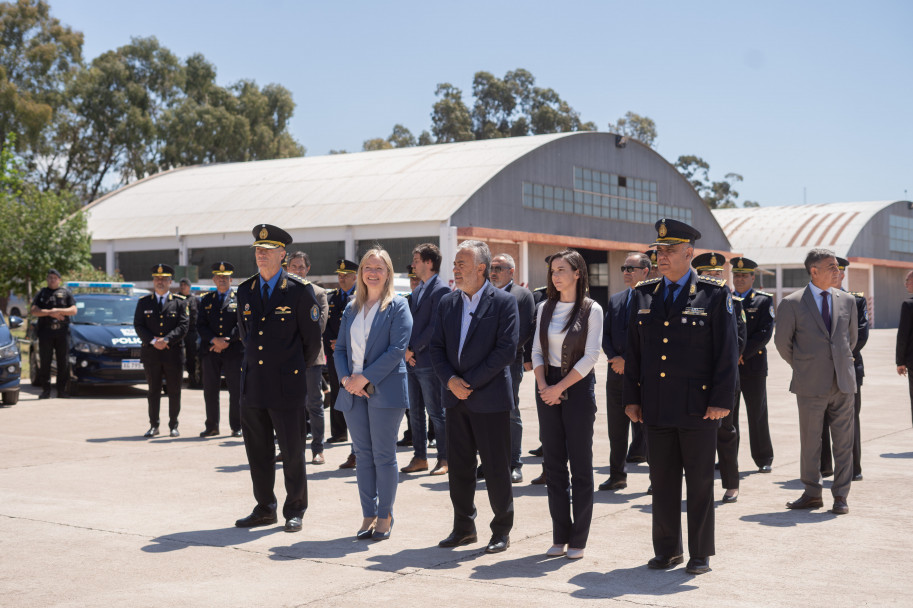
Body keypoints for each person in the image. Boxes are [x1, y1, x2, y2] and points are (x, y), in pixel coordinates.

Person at [624, 219, 738, 575]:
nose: (661, 257)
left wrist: (721, 401)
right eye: (658, 251)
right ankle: (668, 550)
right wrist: (632, 398)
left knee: (701, 482)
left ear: (689, 253)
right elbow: (634, 352)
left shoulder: (714, 294)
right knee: (663, 481)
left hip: (698, 407)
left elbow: (726, 352)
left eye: (669, 251)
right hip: (656, 405)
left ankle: (700, 552)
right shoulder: (645, 293)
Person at [233, 224, 323, 533]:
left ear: (282, 255)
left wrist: (291, 369)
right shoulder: (245, 290)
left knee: (292, 451)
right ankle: (264, 507)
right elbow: (246, 336)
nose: (260, 255)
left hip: (287, 385)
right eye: (257, 250)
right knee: (257, 452)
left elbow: (311, 342)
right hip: (254, 383)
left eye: (267, 250)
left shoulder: (299, 290)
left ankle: (295, 508)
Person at [431, 240, 519, 554]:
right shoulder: (447, 303)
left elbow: (505, 351)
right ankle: (464, 527)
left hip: (489, 399)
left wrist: (468, 382)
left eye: (461, 264)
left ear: (480, 268)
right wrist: (451, 381)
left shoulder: (503, 303)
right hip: (455, 400)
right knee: (460, 467)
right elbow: (436, 348)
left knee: (496, 468)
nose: (455, 269)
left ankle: (501, 531)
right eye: (454, 264)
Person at [333, 248, 413, 540]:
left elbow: (396, 350)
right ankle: (368, 513)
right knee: (363, 455)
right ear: (361, 272)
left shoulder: (398, 306)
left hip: (385, 391)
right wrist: (346, 380)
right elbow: (340, 348)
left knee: (383, 455)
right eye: (368, 267)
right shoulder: (351, 307)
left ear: (388, 273)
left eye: (379, 268)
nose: (373, 273)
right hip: (352, 391)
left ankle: (385, 514)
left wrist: (363, 379)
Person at [774, 248, 857, 516]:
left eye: (837, 266)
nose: (837, 271)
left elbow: (850, 341)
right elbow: (782, 343)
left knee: (844, 443)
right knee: (811, 442)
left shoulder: (847, 301)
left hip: (842, 383)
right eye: (831, 266)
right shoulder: (792, 303)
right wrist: (805, 366)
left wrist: (837, 364)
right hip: (810, 384)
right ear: (814, 271)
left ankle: (841, 496)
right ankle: (812, 494)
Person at [531, 249, 603, 560]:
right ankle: (559, 535)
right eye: (553, 271)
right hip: (546, 387)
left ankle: (579, 539)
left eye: (562, 269)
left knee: (581, 465)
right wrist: (545, 386)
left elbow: (591, 356)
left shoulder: (592, 309)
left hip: (576, 387)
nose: (555, 275)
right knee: (554, 465)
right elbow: (535, 351)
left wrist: (559, 386)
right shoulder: (543, 307)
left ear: (577, 273)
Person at [693, 252, 746, 504]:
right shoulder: (691, 299)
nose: (715, 278)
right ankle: (698, 486)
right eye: (709, 274)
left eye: (718, 274)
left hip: (724, 378)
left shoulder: (733, 300)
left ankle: (731, 484)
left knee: (725, 432)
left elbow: (739, 339)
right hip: (695, 380)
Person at [599, 252, 650, 492]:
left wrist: (628, 362)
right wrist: (613, 358)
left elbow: (654, 341)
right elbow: (606, 334)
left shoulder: (654, 298)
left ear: (646, 271)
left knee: (650, 430)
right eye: (624, 268)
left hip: (644, 375)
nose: (627, 272)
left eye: (632, 268)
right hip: (617, 375)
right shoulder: (616, 299)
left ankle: (657, 480)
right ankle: (617, 475)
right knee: (616, 430)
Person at [401, 243, 451, 476]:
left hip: (429, 362)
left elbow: (434, 327)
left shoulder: (441, 290)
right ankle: (420, 457)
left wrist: (414, 349)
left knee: (436, 413)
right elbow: (410, 324)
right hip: (412, 361)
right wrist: (406, 350)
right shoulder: (418, 290)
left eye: (417, 259)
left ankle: (444, 458)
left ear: (429, 263)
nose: (413, 264)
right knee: (415, 413)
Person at [488, 253, 535, 484]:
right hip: (483, 365)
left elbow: (524, 332)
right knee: (486, 413)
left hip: (510, 363)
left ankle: (515, 463)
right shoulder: (485, 293)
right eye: (491, 267)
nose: (493, 271)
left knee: (510, 413)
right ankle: (490, 462)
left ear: (512, 271)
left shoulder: (522, 295)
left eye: (499, 267)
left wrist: (498, 355)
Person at [820, 257, 868, 481]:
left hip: (848, 368)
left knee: (849, 420)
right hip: (819, 371)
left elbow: (861, 336)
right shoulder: (815, 300)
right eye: (831, 271)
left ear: (843, 274)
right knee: (819, 421)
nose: (835, 275)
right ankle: (824, 467)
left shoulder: (856, 300)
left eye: (838, 271)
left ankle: (853, 467)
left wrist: (838, 356)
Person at [729, 256, 776, 474]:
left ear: (752, 277)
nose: (739, 279)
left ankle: (763, 458)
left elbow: (764, 334)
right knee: (728, 415)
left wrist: (742, 354)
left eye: (743, 275)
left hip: (753, 366)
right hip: (730, 367)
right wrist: (732, 355)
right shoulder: (725, 299)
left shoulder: (763, 300)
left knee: (757, 413)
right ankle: (729, 458)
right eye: (736, 275)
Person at [133, 264, 189, 437]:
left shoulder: (180, 301)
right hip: (152, 353)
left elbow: (184, 325)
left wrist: (167, 340)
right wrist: (152, 341)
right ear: (153, 281)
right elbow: (139, 325)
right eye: (157, 279)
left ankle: (173, 425)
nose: (160, 282)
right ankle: (154, 425)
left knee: (174, 391)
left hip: (173, 353)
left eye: (164, 279)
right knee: (153, 391)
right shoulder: (144, 302)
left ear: (170, 282)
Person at [287, 251, 329, 465]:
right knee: (289, 405)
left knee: (314, 404)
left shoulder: (319, 293)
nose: (298, 270)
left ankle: (318, 449)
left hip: (311, 358)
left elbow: (318, 327)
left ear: (308, 269)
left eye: (301, 266)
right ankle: (290, 449)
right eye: (294, 266)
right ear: (287, 268)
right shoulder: (281, 293)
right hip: (287, 358)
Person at [197, 262, 243, 438]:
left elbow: (243, 323)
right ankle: (212, 426)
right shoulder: (206, 299)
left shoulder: (239, 298)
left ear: (231, 279)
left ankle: (237, 426)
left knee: (235, 390)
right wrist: (214, 340)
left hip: (234, 350)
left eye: (225, 277)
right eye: (219, 277)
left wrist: (227, 340)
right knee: (210, 389)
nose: (222, 280)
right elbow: (200, 324)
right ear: (214, 279)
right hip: (211, 350)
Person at [326, 259, 358, 469]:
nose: (342, 278)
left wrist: (344, 342)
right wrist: (333, 342)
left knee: (355, 395)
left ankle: (356, 444)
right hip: (335, 352)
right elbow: (326, 324)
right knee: (337, 392)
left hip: (355, 353)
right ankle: (338, 432)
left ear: (355, 276)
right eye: (340, 274)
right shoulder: (333, 297)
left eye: (346, 275)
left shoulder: (361, 297)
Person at [30, 269, 76, 399]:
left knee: (63, 362)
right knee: (45, 362)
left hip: (62, 332)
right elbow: (34, 310)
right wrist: (50, 312)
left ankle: (62, 390)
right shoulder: (42, 293)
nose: (52, 280)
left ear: (59, 280)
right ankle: (46, 391)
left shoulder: (66, 293)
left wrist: (58, 310)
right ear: (47, 279)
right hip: (46, 332)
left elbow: (73, 310)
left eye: (55, 278)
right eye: (50, 277)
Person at [895, 270, 913, 426]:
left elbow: (903, 336)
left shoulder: (908, 305)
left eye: (907, 280)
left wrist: (900, 362)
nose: (906, 284)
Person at [179, 278, 202, 388]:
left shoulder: (195, 300)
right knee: (178, 356)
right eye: (181, 285)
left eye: (185, 285)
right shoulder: (177, 298)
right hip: (179, 332)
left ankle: (192, 378)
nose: (183, 287)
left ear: (189, 286)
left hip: (191, 332)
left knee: (192, 355)